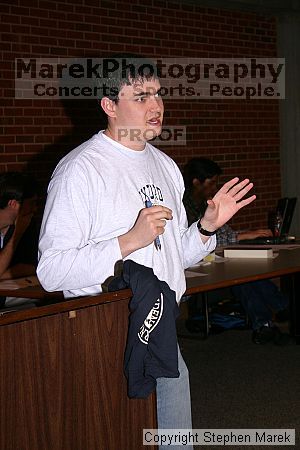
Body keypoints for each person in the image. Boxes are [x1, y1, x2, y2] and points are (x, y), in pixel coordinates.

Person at [37, 55, 255, 449]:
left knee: (175, 442)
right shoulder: (81, 169)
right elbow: (51, 271)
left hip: (163, 328)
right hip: (105, 334)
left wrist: (206, 226)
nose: (156, 106)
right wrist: (128, 241)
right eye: (140, 96)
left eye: (158, 94)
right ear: (109, 105)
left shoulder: (165, 165)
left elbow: (171, 256)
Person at [183, 157, 290, 345]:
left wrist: (247, 234)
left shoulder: (203, 203)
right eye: (212, 183)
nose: (214, 188)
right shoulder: (185, 208)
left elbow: (224, 233)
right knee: (242, 278)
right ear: (196, 182)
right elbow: (204, 238)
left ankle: (281, 310)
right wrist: (247, 235)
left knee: (250, 271)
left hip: (209, 263)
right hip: (192, 271)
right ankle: (268, 320)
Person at [0, 172, 39, 308]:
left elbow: (33, 267)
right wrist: (18, 232)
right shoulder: (21, 226)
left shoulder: (29, 223)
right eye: (32, 203)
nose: (35, 208)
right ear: (13, 204)